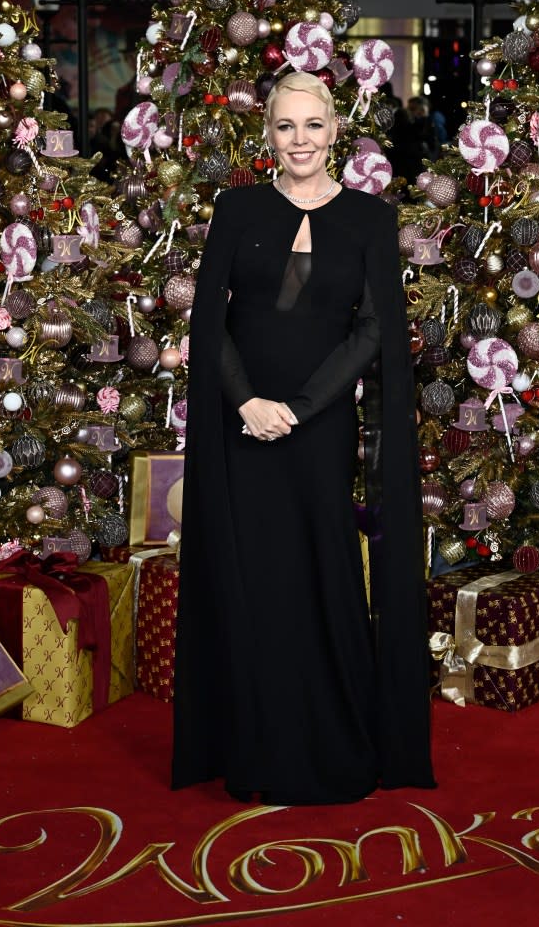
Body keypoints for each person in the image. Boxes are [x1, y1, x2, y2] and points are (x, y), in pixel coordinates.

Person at [171, 70, 435, 806]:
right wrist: (248, 401)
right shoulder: (237, 208)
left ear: (334, 130)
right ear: (267, 136)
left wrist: (303, 405)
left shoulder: (369, 219)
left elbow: (376, 325)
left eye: (312, 126)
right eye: (285, 127)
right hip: (240, 422)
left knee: (324, 575)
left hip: (318, 430)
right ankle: (256, 749)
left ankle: (334, 745)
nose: (299, 141)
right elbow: (207, 321)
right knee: (255, 581)